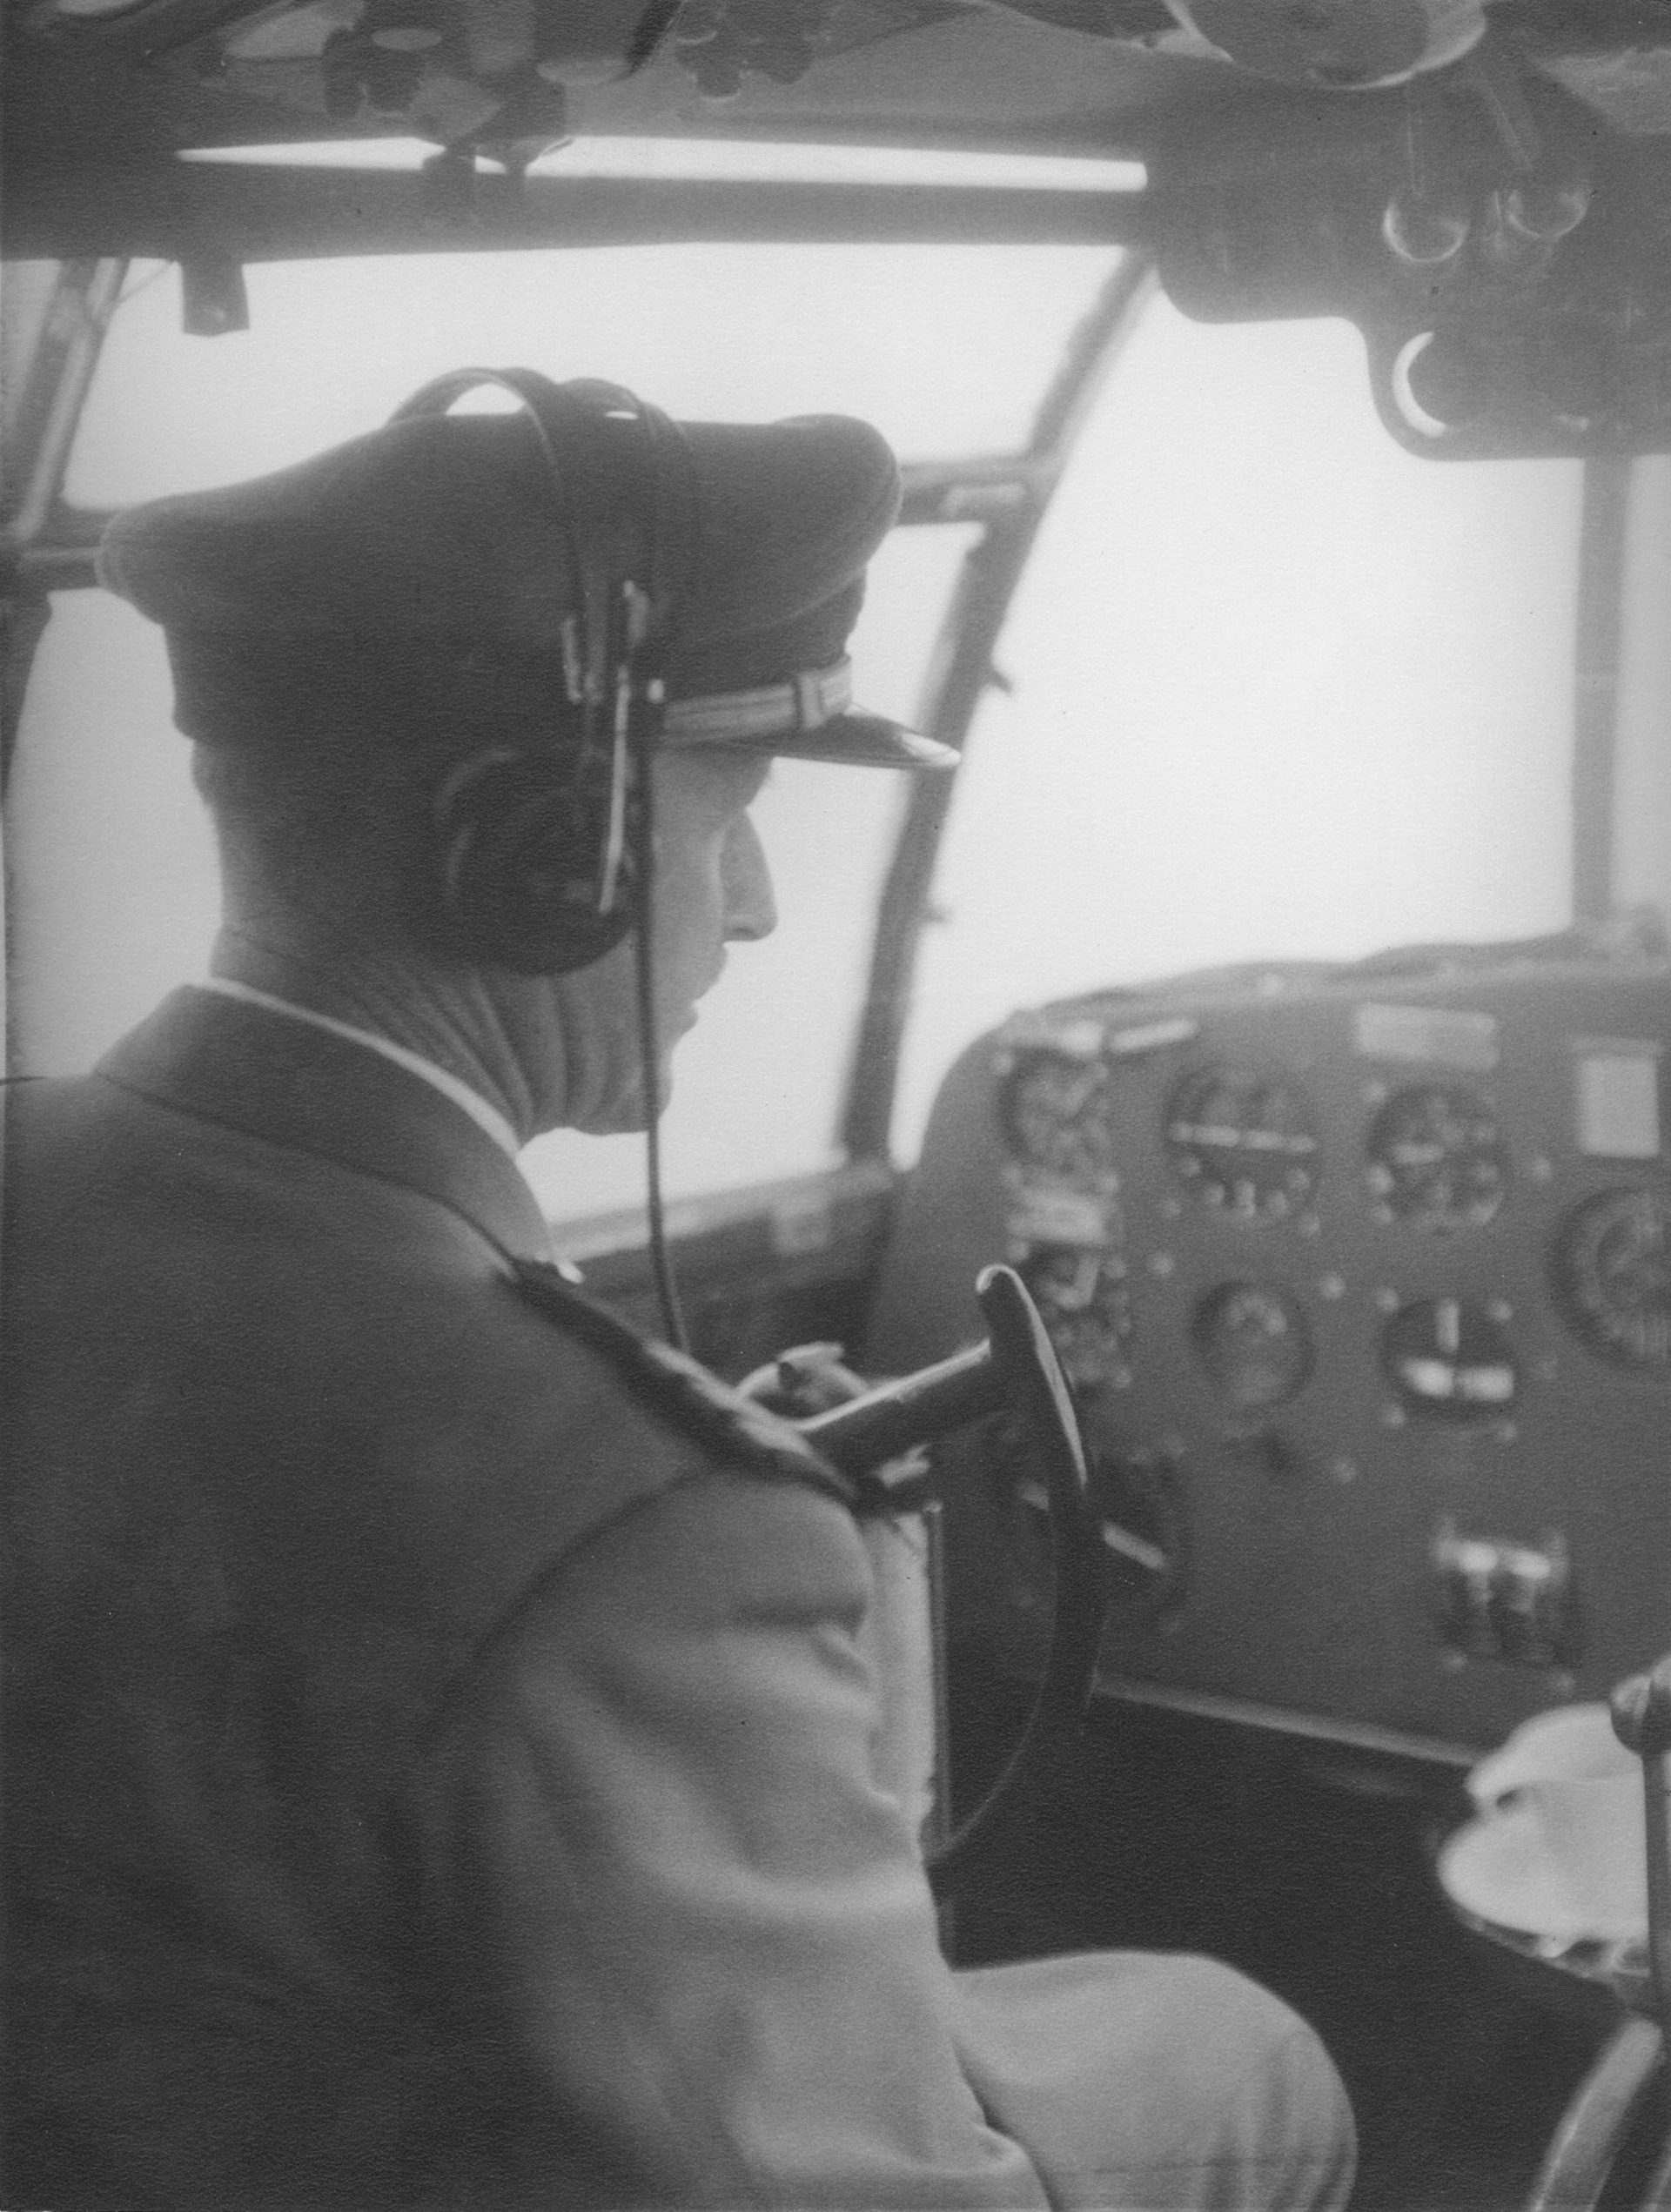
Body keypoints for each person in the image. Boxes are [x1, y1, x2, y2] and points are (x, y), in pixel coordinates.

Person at [1, 372, 1357, 2211]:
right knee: (1248, 2053)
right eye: (731, 814)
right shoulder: (629, 1527)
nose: (766, 906)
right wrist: (722, 1543)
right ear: (548, 855)